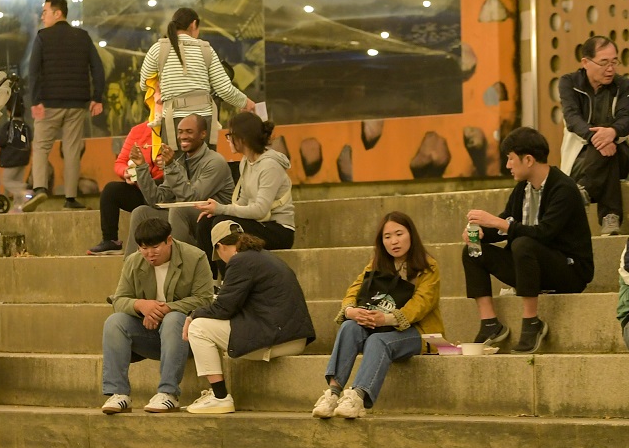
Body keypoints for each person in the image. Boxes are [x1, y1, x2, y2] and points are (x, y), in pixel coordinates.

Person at [463, 125, 594, 354]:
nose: (508, 165)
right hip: (531, 268)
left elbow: (544, 233)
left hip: (569, 271)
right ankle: (490, 324)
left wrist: (498, 223)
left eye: (511, 159)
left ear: (529, 160)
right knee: (473, 250)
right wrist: (482, 232)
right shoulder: (522, 188)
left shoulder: (564, 188)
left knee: (524, 244)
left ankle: (531, 323)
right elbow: (508, 223)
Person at [314, 212, 443, 420]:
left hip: (420, 333)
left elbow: (422, 303)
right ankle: (333, 394)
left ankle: (357, 397)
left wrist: (386, 318)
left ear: (411, 234)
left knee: (377, 340)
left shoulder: (428, 266)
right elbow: (355, 289)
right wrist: (351, 311)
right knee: (349, 326)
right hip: (379, 326)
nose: (394, 241)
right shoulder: (377, 263)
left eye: (399, 234)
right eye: (387, 236)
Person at [182, 223, 316, 414]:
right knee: (206, 322)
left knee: (199, 327)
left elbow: (224, 308)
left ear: (220, 246)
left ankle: (220, 397)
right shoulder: (263, 257)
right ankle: (216, 393)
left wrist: (192, 315)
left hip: (278, 337)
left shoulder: (240, 261)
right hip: (290, 334)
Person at [99, 216, 214, 414]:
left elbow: (204, 299)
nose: (149, 254)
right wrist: (141, 305)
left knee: (174, 317)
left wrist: (164, 309)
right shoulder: (134, 262)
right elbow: (119, 300)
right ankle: (118, 394)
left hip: (186, 335)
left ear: (169, 240)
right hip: (151, 334)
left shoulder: (195, 257)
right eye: (144, 248)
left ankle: (168, 393)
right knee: (114, 322)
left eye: (155, 247)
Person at [24, 0, 105, 211]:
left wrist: (35, 100)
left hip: (49, 103)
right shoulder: (83, 36)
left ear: (57, 13)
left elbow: (34, 71)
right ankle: (70, 198)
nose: (42, 17)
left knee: (41, 145)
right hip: (77, 104)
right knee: (72, 149)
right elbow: (97, 68)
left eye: (45, 12)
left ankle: (40, 188)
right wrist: (97, 97)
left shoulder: (43, 37)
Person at [138, 6, 255, 144]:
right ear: (193, 24)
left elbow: (144, 84)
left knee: (174, 164)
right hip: (202, 122)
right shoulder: (206, 49)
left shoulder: (158, 49)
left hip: (172, 122)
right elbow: (224, 89)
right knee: (205, 164)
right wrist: (245, 102)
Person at [194, 112, 294, 268]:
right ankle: (211, 281)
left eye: (230, 135)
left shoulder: (270, 166)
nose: (228, 140)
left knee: (222, 224)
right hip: (259, 224)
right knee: (206, 222)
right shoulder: (246, 162)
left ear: (243, 138)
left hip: (278, 230)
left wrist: (221, 209)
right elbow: (243, 202)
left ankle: (229, 280)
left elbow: (260, 210)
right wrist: (216, 211)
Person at [123, 113, 235, 249]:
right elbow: (156, 199)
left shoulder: (215, 162)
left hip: (213, 220)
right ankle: (132, 268)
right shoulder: (179, 162)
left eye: (189, 132)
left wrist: (170, 166)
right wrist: (141, 167)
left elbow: (192, 199)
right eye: (180, 132)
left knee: (179, 211)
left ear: (203, 134)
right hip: (185, 217)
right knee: (141, 212)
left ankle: (179, 264)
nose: (183, 136)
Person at [558, 35, 629, 235]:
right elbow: (572, 118)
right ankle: (610, 216)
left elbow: (626, 118)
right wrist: (598, 138)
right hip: (581, 157)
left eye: (614, 62)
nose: (610, 68)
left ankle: (583, 190)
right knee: (607, 152)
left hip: (622, 153)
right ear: (586, 62)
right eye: (604, 62)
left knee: (612, 149)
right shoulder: (569, 83)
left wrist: (612, 132)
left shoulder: (623, 85)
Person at [89, 116, 163, 255]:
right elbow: (120, 162)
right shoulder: (138, 131)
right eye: (156, 102)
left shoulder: (176, 129)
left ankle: (152, 242)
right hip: (139, 187)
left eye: (162, 102)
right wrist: (126, 172)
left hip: (163, 189)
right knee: (111, 190)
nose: (159, 107)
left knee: (158, 187)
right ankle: (110, 241)